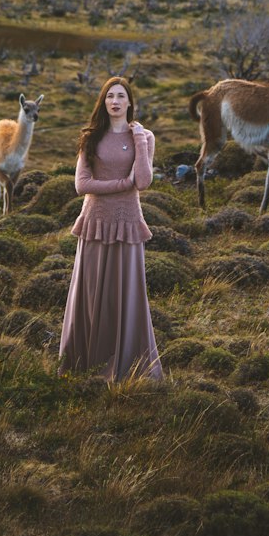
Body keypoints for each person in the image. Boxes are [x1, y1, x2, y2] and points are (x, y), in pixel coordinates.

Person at [58, 76, 163, 382]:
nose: (115, 101)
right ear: (103, 102)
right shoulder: (92, 137)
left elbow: (142, 182)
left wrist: (140, 140)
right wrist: (121, 184)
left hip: (128, 223)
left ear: (130, 102)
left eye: (121, 96)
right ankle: (83, 365)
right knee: (90, 295)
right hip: (94, 223)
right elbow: (81, 184)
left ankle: (127, 366)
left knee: (126, 295)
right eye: (109, 97)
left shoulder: (144, 137)